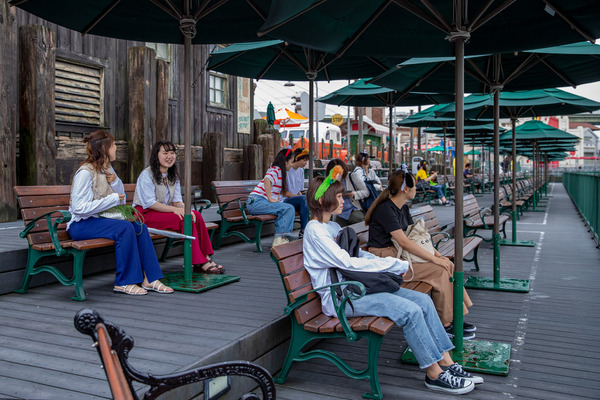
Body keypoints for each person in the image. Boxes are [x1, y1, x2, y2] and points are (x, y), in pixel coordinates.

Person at [302, 171, 482, 394]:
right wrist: (389, 265)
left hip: (355, 290)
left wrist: (390, 263)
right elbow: (347, 263)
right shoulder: (315, 232)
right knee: (409, 311)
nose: (344, 200)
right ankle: (434, 374)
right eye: (338, 197)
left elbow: (359, 255)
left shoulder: (333, 227)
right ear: (322, 200)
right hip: (341, 298)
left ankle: (447, 363)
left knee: (422, 302)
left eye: (341, 196)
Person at [365, 166, 476, 339]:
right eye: (414, 186)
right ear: (406, 189)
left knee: (449, 265)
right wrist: (435, 260)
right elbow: (404, 241)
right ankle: (444, 324)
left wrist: (439, 256)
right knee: (439, 270)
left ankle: (455, 317)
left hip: (398, 255)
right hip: (386, 260)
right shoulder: (386, 209)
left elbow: (413, 238)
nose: (417, 188)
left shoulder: (402, 208)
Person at [67, 130, 173, 295]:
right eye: (114, 144)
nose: (116, 148)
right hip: (81, 224)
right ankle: (124, 281)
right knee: (125, 228)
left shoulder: (106, 168)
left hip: (102, 221)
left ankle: (150, 278)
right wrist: (112, 198)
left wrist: (115, 183)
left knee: (139, 227)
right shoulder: (85, 173)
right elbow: (78, 208)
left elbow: (121, 199)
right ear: (104, 147)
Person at [132, 140, 224, 274]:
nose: (169, 156)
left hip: (161, 212)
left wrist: (186, 209)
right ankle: (199, 261)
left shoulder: (172, 175)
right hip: (144, 214)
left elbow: (176, 201)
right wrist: (176, 210)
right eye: (165, 153)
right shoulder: (147, 174)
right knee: (182, 219)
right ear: (156, 155)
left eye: (172, 153)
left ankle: (206, 256)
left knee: (195, 215)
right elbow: (149, 203)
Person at [246, 148, 296, 247]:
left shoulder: (279, 171)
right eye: (291, 161)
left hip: (259, 202)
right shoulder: (276, 169)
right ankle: (280, 240)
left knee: (287, 208)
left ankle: (282, 238)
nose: (292, 164)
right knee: (288, 208)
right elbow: (267, 180)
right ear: (285, 161)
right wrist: (270, 198)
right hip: (256, 201)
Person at [325, 158, 366, 227]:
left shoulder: (352, 177)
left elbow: (366, 191)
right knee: (337, 229)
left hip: (354, 209)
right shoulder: (329, 181)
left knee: (356, 219)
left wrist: (354, 194)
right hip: (340, 213)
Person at [283, 148, 309, 239]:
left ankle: (309, 229)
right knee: (304, 199)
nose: (305, 163)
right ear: (297, 158)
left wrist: (300, 196)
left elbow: (299, 190)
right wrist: (300, 197)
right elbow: (284, 192)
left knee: (309, 199)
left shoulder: (301, 171)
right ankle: (303, 230)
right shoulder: (286, 170)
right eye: (304, 160)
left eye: (307, 161)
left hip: (295, 199)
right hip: (284, 200)